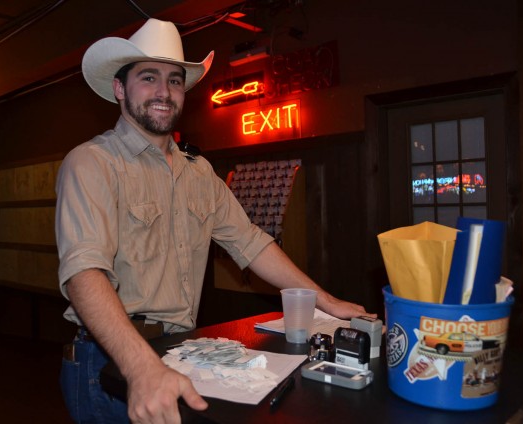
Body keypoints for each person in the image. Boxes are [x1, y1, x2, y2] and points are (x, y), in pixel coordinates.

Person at [55, 18, 376, 424]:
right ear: (120, 89)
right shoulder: (91, 163)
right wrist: (140, 367)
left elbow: (253, 243)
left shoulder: (199, 172)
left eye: (174, 81)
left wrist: (327, 304)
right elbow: (84, 273)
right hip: (108, 358)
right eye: (148, 77)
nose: (163, 92)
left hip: (178, 350)